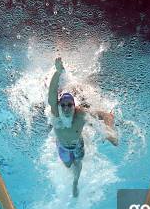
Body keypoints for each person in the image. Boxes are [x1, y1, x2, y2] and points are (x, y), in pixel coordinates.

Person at [47, 57, 118, 197]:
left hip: (78, 145)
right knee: (67, 165)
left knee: (78, 163)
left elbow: (107, 116)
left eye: (69, 105)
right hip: (62, 147)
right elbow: (52, 92)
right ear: (59, 106)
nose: (66, 108)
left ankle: (75, 183)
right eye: (63, 105)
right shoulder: (55, 112)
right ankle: (72, 175)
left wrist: (110, 134)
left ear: (74, 106)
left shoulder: (81, 115)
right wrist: (58, 71)